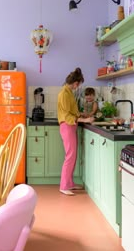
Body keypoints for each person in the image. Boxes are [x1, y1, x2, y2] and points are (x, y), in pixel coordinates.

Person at [57, 68, 94, 196]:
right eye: (78, 84)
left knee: (73, 156)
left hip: (71, 126)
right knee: (70, 156)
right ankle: (64, 186)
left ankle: (69, 183)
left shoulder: (68, 92)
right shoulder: (64, 94)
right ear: (76, 83)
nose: (78, 87)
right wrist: (85, 119)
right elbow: (67, 116)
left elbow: (72, 111)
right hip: (67, 126)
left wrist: (81, 114)